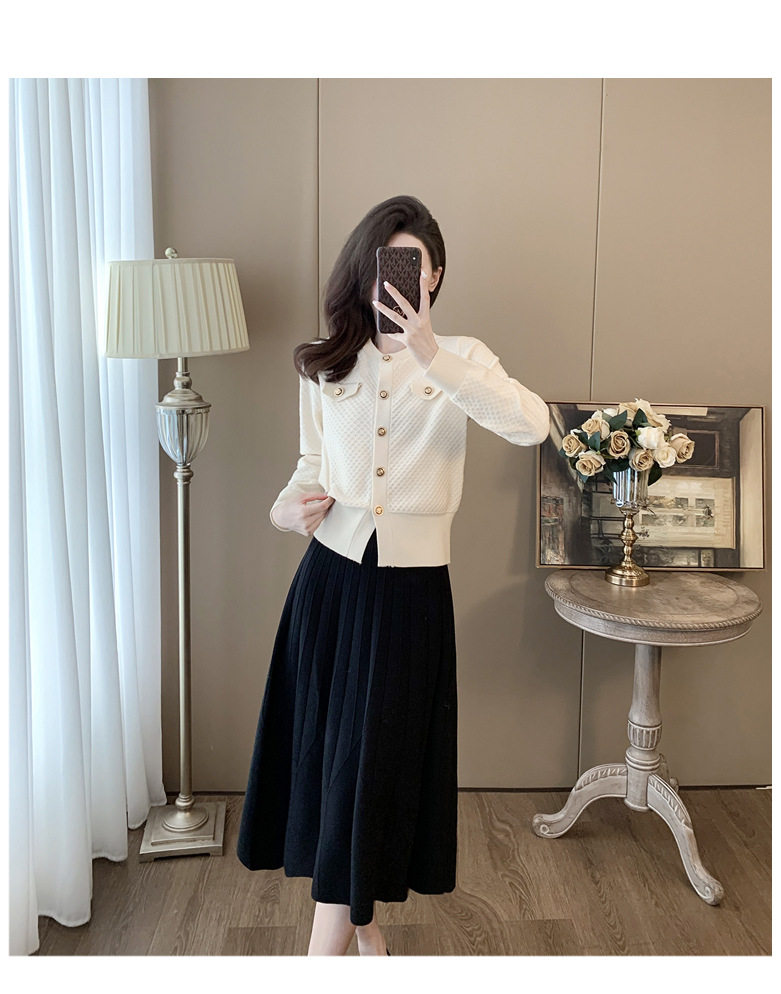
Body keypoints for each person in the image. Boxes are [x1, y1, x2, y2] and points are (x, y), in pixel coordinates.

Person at [236, 195, 550, 956]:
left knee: (369, 766)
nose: (399, 276)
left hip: (410, 594)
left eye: (414, 263)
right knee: (333, 763)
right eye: (387, 261)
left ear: (433, 275)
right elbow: (311, 466)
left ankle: (326, 954)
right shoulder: (327, 360)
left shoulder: (463, 357)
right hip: (329, 585)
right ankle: (363, 927)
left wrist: (431, 353)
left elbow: (532, 424)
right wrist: (283, 511)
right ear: (366, 267)